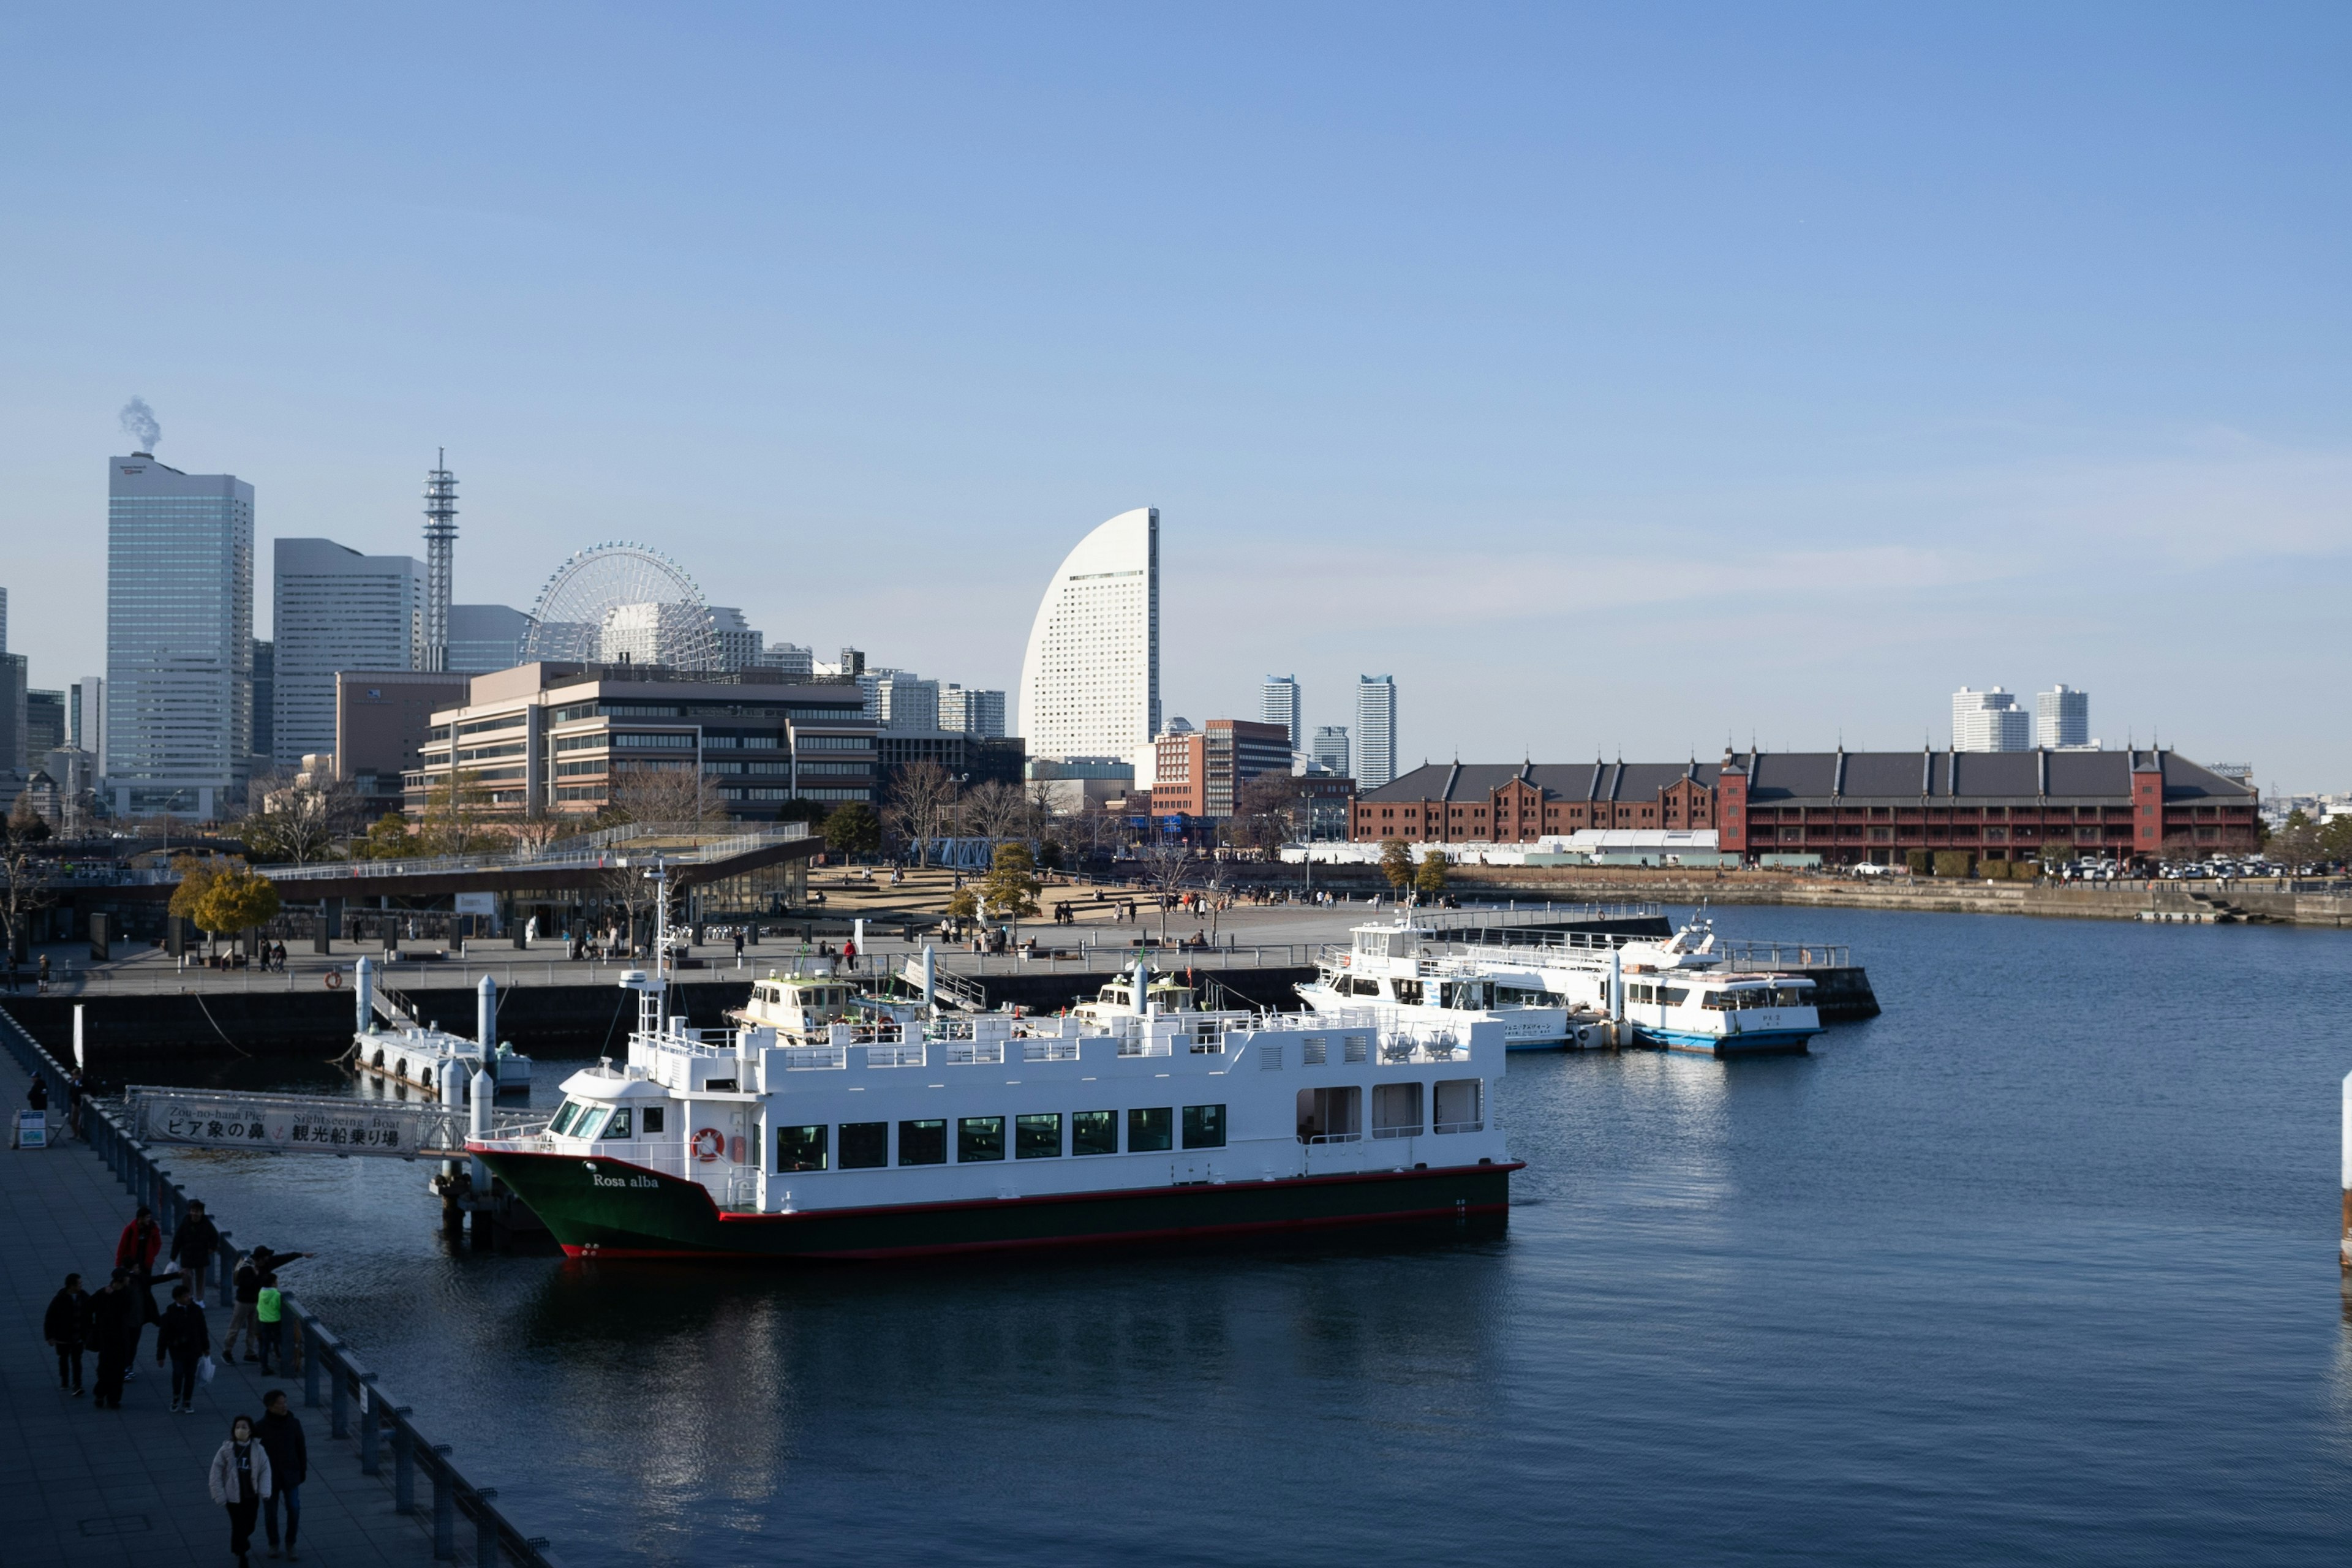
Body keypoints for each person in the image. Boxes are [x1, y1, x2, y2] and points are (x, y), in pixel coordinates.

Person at [208, 1413, 273, 1567]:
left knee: (250, 1524)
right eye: (238, 1427)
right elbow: (215, 1473)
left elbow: (265, 1470)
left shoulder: (258, 1449)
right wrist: (219, 1495)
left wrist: (265, 1491)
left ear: (250, 1430)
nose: (240, 1430)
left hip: (251, 1495)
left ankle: (237, 1544)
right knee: (238, 1525)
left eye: (244, 1427)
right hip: (233, 1497)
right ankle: (243, 1555)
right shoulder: (226, 1450)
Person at [256, 1389, 307, 1561]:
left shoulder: (294, 1424)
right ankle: (274, 1543)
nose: (285, 1405)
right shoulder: (260, 1428)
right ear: (271, 1407)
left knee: (294, 1509)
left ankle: (290, 1543)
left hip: (291, 1475)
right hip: (268, 1479)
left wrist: (302, 1472)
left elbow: (301, 1449)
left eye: (285, 1401)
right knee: (271, 1513)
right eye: (281, 1403)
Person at [88, 1268, 140, 1408]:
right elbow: (90, 1306)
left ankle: (112, 1398)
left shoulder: (125, 1293)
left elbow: (128, 1307)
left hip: (119, 1337)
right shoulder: (105, 1293)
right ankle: (103, 1395)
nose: (129, 1280)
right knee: (106, 1368)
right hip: (108, 1336)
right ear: (121, 1280)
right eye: (127, 1278)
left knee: (116, 1369)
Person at [157, 1281, 209, 1414]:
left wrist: (206, 1347)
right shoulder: (170, 1315)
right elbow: (163, 1336)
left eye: (189, 1295)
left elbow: (203, 1329)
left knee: (190, 1375)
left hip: (193, 1349)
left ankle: (187, 1400)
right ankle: (176, 1397)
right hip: (178, 1350)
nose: (189, 1298)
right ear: (178, 1298)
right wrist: (161, 1355)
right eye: (186, 1296)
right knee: (178, 1374)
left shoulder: (196, 1310)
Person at [43, 1272, 90, 1396]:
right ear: (71, 1286)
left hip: (78, 1337)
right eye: (79, 1283)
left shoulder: (84, 1296)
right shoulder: (60, 1299)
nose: (82, 1285)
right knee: (63, 1359)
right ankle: (65, 1380)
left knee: (77, 1361)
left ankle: (77, 1384)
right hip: (63, 1337)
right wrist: (50, 1336)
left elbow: (91, 1311)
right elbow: (50, 1317)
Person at [171, 1199, 222, 1307]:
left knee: (201, 1277)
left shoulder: (206, 1223)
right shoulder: (185, 1222)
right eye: (193, 1211)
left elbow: (215, 1237)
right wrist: (173, 1257)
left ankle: (200, 1299)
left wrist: (212, 1248)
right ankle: (188, 1297)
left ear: (202, 1212)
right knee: (186, 1276)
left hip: (201, 1254)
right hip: (187, 1254)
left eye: (197, 1211)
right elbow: (178, 1239)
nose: (194, 1214)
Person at [254, 1273, 284, 1374]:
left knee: (265, 1345)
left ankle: (264, 1367)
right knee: (280, 1342)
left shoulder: (261, 1292)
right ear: (273, 1283)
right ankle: (284, 1363)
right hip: (275, 1322)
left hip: (263, 1321)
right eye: (276, 1281)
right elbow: (278, 1307)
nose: (278, 1283)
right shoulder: (276, 1295)